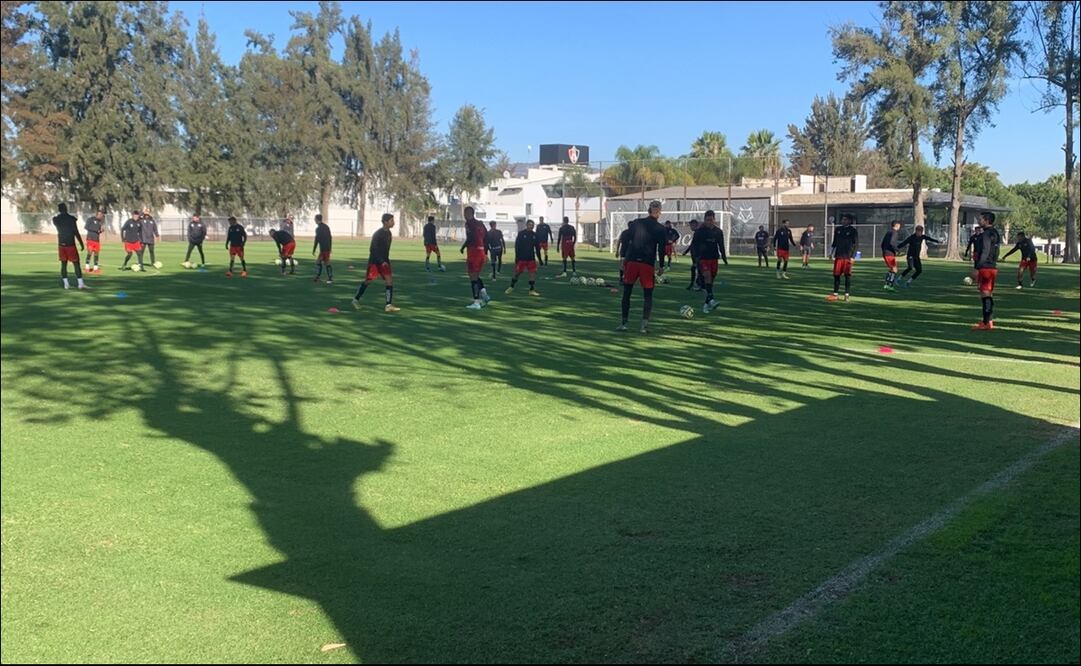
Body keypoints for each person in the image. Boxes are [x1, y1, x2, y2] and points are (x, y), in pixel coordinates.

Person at [618, 200, 667, 334]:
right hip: (647, 264)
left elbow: (626, 239)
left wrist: (623, 258)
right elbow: (662, 249)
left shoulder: (637, 223)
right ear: (660, 213)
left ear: (648, 211)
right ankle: (643, 326)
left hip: (632, 262)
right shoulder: (661, 229)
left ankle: (624, 323)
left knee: (627, 293)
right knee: (648, 295)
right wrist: (661, 265)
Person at [351, 213, 400, 313]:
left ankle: (388, 305)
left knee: (389, 281)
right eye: (391, 220)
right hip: (375, 262)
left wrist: (385, 261)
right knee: (368, 281)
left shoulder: (389, 233)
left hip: (384, 261)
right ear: (385, 222)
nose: (393, 222)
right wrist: (381, 261)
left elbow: (385, 250)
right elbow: (373, 249)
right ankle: (355, 299)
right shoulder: (378, 234)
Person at [690, 210, 728, 313]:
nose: (709, 222)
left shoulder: (718, 232)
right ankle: (711, 300)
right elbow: (693, 246)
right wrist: (695, 259)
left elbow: (721, 245)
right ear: (704, 220)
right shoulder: (699, 231)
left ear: (714, 220)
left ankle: (707, 304)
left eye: (711, 220)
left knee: (710, 283)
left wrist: (724, 257)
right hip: (703, 259)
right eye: (707, 220)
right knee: (707, 276)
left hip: (714, 258)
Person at [971, 211, 1001, 330]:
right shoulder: (995, 233)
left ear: (987, 220)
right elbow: (997, 251)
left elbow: (985, 250)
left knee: (985, 294)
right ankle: (989, 321)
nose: (979, 221)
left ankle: (986, 323)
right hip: (992, 267)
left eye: (981, 219)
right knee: (987, 294)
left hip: (985, 268)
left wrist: (977, 268)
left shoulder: (986, 234)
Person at [460, 206, 492, 309]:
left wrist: (463, 246)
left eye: (465, 213)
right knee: (475, 275)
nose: (464, 215)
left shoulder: (469, 223)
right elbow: (487, 238)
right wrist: (486, 252)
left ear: (468, 213)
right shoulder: (481, 224)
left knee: (473, 277)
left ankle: (476, 302)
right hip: (481, 251)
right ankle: (484, 294)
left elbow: (471, 237)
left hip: (474, 252)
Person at [505, 219, 542, 297]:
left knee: (532, 273)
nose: (531, 226)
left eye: (532, 225)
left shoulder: (535, 235)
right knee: (517, 273)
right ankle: (511, 286)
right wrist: (517, 258)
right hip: (522, 258)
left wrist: (540, 259)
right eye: (530, 225)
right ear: (527, 225)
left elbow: (537, 248)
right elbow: (517, 246)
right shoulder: (521, 234)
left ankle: (531, 290)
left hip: (531, 258)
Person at [53, 203, 87, 289]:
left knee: (63, 264)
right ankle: (80, 284)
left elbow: (57, 220)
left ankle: (66, 284)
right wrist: (81, 243)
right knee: (76, 263)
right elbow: (76, 232)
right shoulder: (71, 219)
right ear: (66, 208)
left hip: (61, 243)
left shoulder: (56, 220)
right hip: (70, 243)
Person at [827, 213, 859, 302]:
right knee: (836, 275)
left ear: (849, 220)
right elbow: (834, 243)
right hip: (838, 256)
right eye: (842, 219)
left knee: (847, 276)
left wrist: (853, 257)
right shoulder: (838, 229)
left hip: (848, 257)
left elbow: (856, 244)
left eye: (845, 219)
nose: (843, 221)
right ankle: (835, 294)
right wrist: (831, 253)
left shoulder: (853, 231)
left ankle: (846, 295)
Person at [880, 220, 902, 291]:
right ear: (897, 225)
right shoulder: (895, 233)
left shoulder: (888, 232)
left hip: (885, 253)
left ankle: (886, 284)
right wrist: (897, 250)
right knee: (895, 269)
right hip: (890, 254)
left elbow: (882, 244)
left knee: (891, 269)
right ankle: (890, 285)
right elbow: (892, 243)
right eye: (899, 225)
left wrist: (884, 251)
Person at [681, 219, 702, 290]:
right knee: (696, 269)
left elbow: (699, 246)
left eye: (691, 225)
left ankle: (697, 284)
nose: (690, 227)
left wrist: (698, 257)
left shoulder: (698, 233)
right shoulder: (696, 232)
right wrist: (686, 252)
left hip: (697, 256)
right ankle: (697, 284)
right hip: (695, 256)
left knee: (697, 269)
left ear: (695, 225)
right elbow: (692, 245)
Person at [312, 214, 333, 284]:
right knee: (320, 262)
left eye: (315, 219)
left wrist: (314, 249)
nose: (314, 220)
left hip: (323, 248)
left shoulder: (318, 229)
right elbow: (330, 238)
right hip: (327, 247)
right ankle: (319, 277)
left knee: (324, 262)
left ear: (317, 220)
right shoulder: (327, 227)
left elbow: (317, 239)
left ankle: (329, 278)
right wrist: (330, 248)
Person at [83, 208, 105, 274]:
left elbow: (98, 231)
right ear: (97, 214)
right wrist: (96, 230)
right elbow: (86, 227)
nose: (101, 216)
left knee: (96, 254)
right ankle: (87, 267)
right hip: (90, 239)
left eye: (102, 215)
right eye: (101, 215)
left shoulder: (100, 222)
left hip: (96, 240)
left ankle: (95, 268)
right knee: (89, 253)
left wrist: (101, 231)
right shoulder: (90, 219)